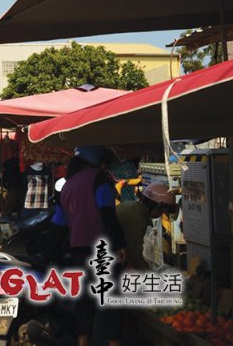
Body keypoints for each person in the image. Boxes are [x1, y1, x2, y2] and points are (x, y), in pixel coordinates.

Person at [48, 146, 126, 346]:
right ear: (97, 162)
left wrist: (52, 251)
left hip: (78, 251)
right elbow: (107, 212)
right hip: (102, 249)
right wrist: (119, 244)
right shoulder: (99, 179)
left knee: (84, 300)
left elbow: (58, 223)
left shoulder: (67, 186)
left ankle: (82, 342)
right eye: (104, 163)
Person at [115, 183, 177, 270]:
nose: (160, 215)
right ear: (155, 205)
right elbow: (135, 256)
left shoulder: (135, 208)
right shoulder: (136, 217)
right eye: (161, 211)